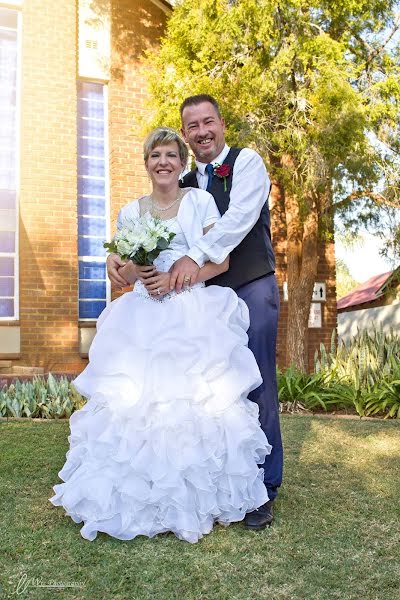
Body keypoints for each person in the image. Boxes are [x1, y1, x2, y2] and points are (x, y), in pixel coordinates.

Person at [49, 127, 271, 543]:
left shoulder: (200, 201)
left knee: (193, 404)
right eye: (155, 156)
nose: (163, 162)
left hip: (192, 312)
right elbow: (123, 275)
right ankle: (141, 499)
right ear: (146, 163)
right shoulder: (131, 212)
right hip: (143, 316)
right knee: (137, 406)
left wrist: (174, 279)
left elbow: (219, 263)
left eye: (171, 154)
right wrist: (139, 270)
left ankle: (196, 497)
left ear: (182, 163)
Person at [108, 96, 283, 530]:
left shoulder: (246, 163)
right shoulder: (182, 182)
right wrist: (120, 262)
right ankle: (212, 479)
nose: (202, 131)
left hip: (249, 283)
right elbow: (156, 245)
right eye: (193, 126)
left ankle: (263, 487)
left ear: (221, 124)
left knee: (255, 379)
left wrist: (190, 263)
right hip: (201, 295)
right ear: (186, 135)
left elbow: (238, 219)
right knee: (210, 393)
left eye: (208, 122)